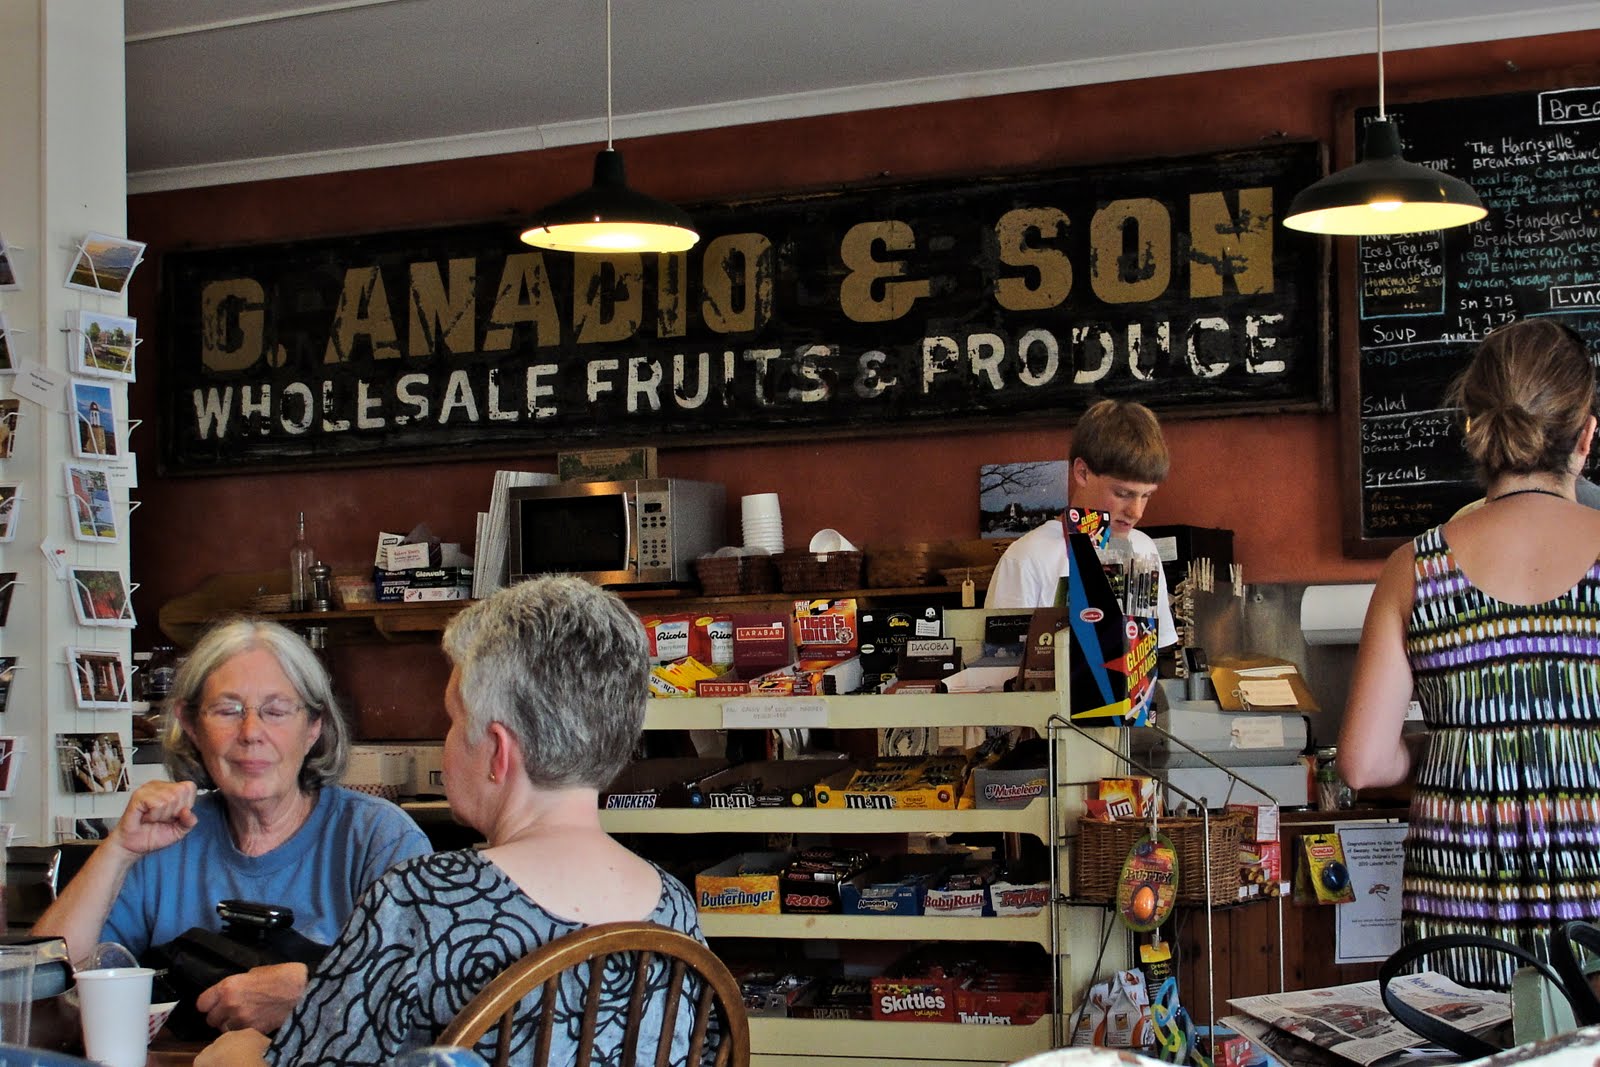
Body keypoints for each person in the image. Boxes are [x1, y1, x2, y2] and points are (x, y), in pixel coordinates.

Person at [197, 575, 706, 1067]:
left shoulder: (422, 902)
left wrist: (234, 1059)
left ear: (497, 753)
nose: (448, 739)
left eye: (453, 719)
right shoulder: (675, 911)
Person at [1338, 318, 1600, 990]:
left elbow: (1365, 764)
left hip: (1460, 934)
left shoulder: (1415, 568)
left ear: (1476, 431)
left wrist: (1459, 746)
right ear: (1587, 436)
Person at [34, 618, 431, 1033]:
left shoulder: (376, 838)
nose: (250, 733)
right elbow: (45, 989)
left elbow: (429, 998)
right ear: (191, 725)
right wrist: (119, 850)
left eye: (276, 711)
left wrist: (312, 991)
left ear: (314, 727)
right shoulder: (164, 838)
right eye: (228, 710)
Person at [985, 398, 1179, 648]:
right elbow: (999, 666)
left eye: (1146, 495)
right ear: (1082, 473)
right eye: (1122, 493)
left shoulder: (1144, 549)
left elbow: (1156, 654)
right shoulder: (1026, 559)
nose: (1136, 512)